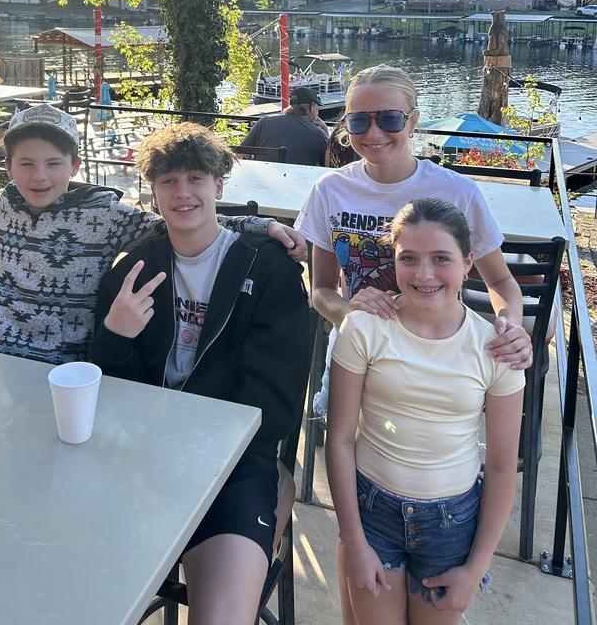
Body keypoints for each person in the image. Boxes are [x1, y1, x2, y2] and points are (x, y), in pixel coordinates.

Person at [293, 64, 532, 625]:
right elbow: (321, 288)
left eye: (389, 117)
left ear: (414, 120)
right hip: (358, 359)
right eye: (358, 119)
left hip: (435, 364)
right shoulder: (330, 189)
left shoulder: (456, 191)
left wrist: (510, 327)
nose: (374, 132)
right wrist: (348, 309)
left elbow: (500, 283)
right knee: (358, 500)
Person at [91, 122, 311, 625]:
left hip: (231, 463)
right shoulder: (135, 269)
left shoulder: (268, 268)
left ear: (219, 186)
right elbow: (108, 389)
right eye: (168, 181)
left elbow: (272, 407)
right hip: (136, 457)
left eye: (196, 178)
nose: (183, 192)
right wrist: (115, 335)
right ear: (152, 190)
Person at [0, 104, 306, 364]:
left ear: (74, 166)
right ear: (8, 166)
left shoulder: (105, 215)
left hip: (65, 361)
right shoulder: (3, 203)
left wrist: (263, 225)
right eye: (26, 164)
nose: (39, 177)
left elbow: (180, 223)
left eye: (53, 163)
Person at [325, 198, 524, 624]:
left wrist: (477, 567)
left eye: (441, 259)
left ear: (469, 262)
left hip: (451, 524)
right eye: (409, 259)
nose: (424, 274)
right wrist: (355, 545)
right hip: (372, 510)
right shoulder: (364, 328)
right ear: (393, 260)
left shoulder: (495, 349)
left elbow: (504, 465)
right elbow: (339, 438)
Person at [239, 84, 328, 165]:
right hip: (299, 181)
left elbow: (241, 154)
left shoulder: (264, 122)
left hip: (262, 179)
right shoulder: (318, 135)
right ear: (312, 107)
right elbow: (329, 165)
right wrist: (325, 130)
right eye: (318, 107)